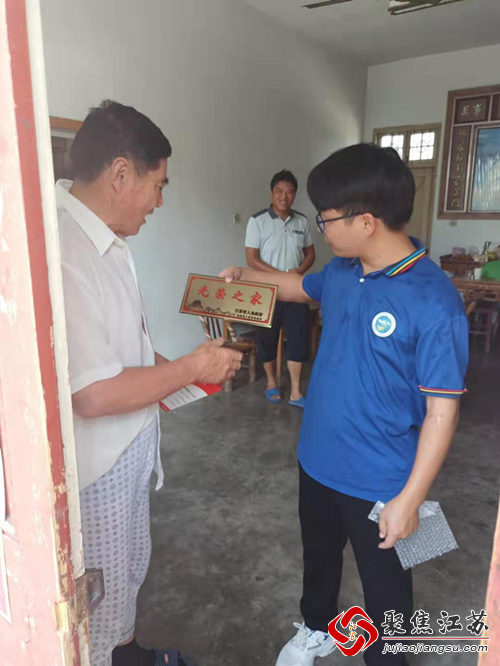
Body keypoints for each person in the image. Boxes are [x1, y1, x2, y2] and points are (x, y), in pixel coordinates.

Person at [221, 144, 469, 666]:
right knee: (319, 559)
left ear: (366, 222)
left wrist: (410, 499)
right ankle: (318, 628)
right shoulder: (341, 271)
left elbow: (442, 412)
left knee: (387, 591)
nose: (321, 229)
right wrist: (248, 277)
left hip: (384, 479)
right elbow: (295, 286)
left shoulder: (434, 300)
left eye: (325, 218)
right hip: (317, 459)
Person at [58, 100, 242, 666]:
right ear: (121, 174)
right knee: (95, 604)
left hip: (130, 451)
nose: (159, 202)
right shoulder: (66, 250)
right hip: (97, 470)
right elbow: (92, 393)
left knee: (125, 577)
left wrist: (189, 373)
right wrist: (191, 368)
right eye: (157, 185)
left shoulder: (108, 242)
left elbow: (127, 352)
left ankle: (129, 652)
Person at [245, 170, 315, 407]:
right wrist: (278, 276)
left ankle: (296, 391)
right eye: (279, 191)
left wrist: (300, 270)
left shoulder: (302, 221)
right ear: (271, 193)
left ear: (295, 195)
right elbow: (251, 259)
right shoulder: (257, 221)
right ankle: (271, 383)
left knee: (298, 338)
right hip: (267, 292)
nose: (284, 196)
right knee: (267, 338)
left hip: (295, 291)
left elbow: (310, 254)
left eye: (290, 192)